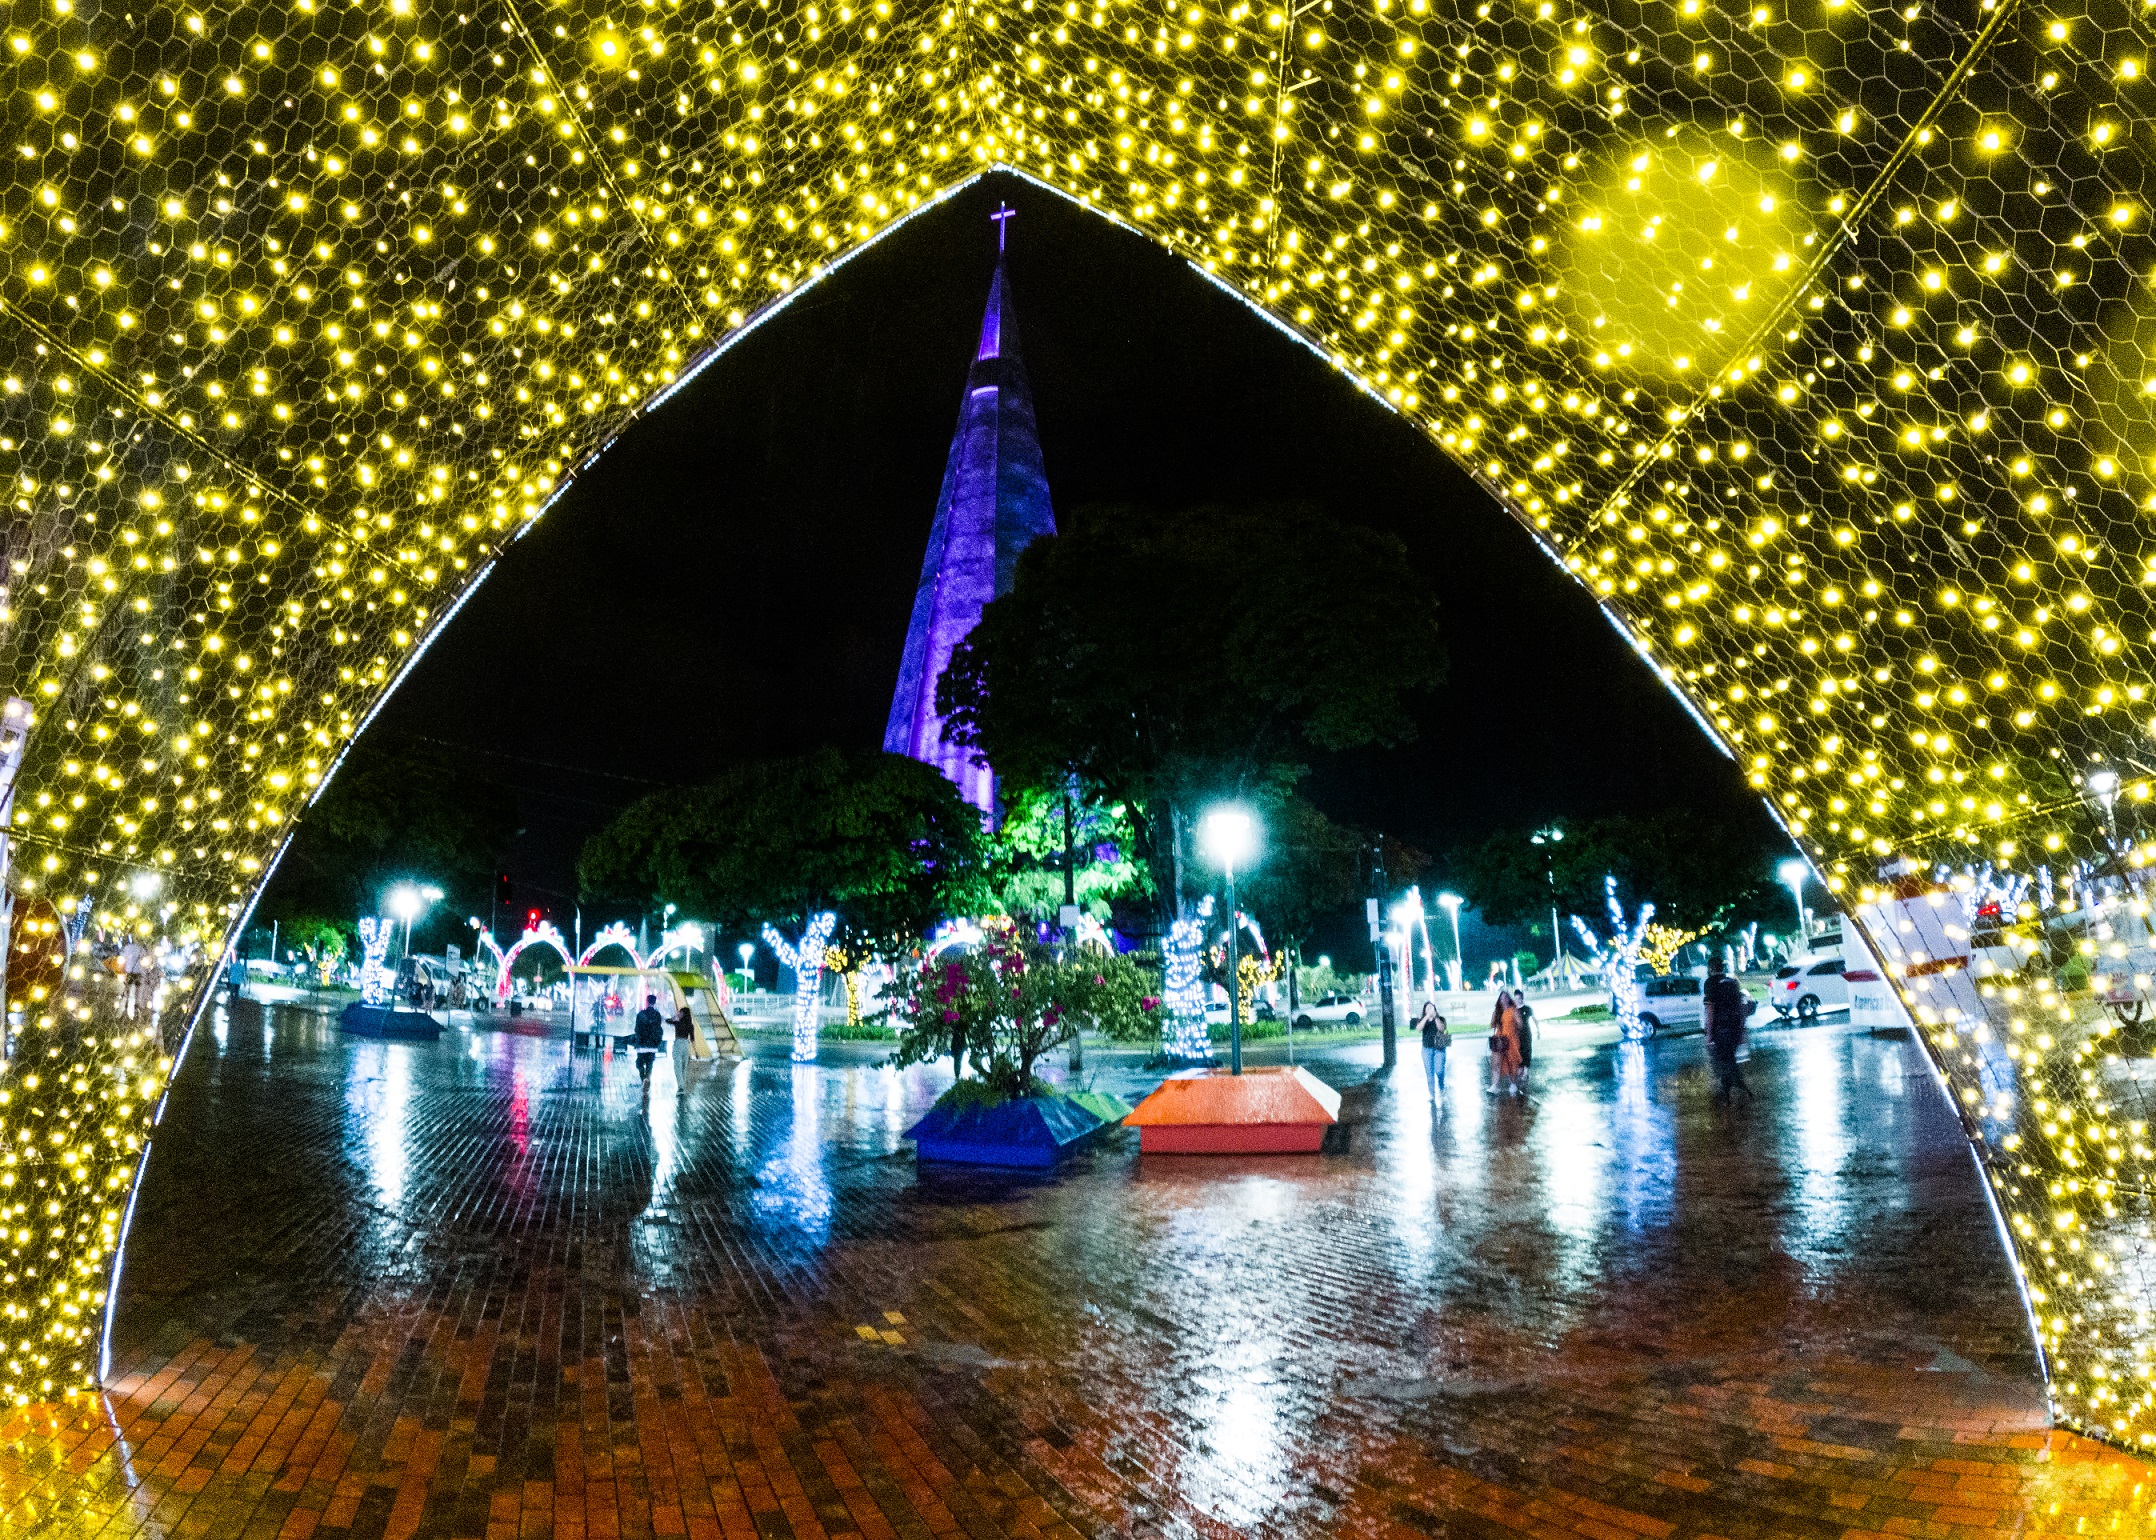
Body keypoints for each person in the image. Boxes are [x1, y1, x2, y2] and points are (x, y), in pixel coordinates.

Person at [1703, 957, 1752, 1105]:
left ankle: (1731, 1092)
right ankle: (1735, 1089)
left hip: (1721, 1029)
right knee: (1729, 1059)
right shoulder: (1732, 983)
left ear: (1711, 968)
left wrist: (1709, 1033)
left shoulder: (1710, 984)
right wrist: (1742, 1030)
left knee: (1725, 1062)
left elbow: (1710, 1010)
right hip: (1735, 1028)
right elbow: (1741, 1006)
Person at [1487, 989, 1524, 1095]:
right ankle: (1495, 1085)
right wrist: (1495, 1015)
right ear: (1499, 1000)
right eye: (1502, 998)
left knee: (1511, 1062)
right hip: (1499, 1039)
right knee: (1496, 1063)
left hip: (1511, 1040)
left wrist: (1514, 1029)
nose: (1504, 999)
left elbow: (1520, 1024)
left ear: (1509, 999)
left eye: (1506, 997)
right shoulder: (1497, 1012)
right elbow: (1492, 1025)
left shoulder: (1513, 1010)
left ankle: (1513, 1084)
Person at [1417, 999, 1450, 1105]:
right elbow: (1418, 1028)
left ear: (1435, 1009)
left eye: (1432, 1007)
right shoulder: (1423, 1020)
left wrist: (1435, 1017)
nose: (1430, 1009)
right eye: (1428, 1008)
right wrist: (1427, 1017)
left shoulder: (1440, 1018)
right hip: (1426, 1049)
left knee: (1439, 1070)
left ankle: (1441, 1087)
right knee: (1429, 1073)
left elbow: (1442, 1028)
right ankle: (1432, 1094)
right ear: (1424, 1011)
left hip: (1439, 1048)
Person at [632, 992, 666, 1090]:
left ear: (647, 1002)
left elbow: (637, 1029)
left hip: (642, 1044)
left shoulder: (641, 1014)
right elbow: (659, 1029)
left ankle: (643, 1079)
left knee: (639, 1063)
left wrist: (638, 1039)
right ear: (655, 1002)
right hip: (653, 1044)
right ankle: (647, 1077)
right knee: (649, 1063)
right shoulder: (657, 1015)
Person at [671, 1000, 695, 1089]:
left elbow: (668, 1021)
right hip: (686, 1044)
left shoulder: (678, 1023)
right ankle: (682, 1085)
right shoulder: (690, 1025)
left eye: (680, 1012)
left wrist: (675, 1017)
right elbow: (692, 1038)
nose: (679, 1014)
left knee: (677, 1065)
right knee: (684, 1066)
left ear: (683, 1014)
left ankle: (680, 1086)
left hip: (678, 1043)